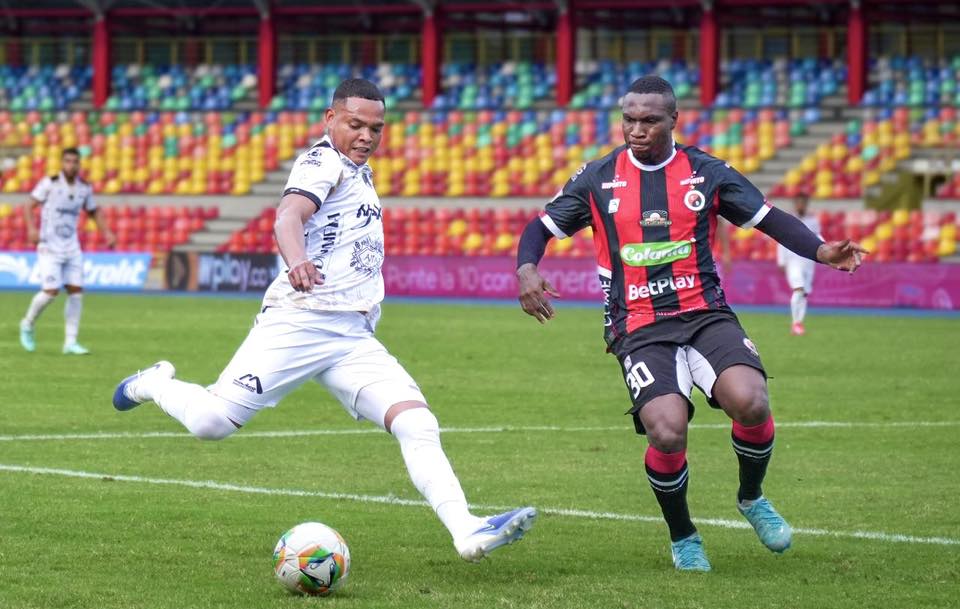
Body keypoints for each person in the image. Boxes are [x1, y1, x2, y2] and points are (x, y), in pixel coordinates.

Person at [111, 79, 536, 563]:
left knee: (417, 423)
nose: (366, 135)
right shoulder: (322, 161)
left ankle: (467, 531)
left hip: (351, 336)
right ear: (329, 119)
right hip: (300, 321)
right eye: (355, 124)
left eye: (375, 127)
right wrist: (295, 260)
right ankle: (153, 383)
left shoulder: (360, 170)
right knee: (211, 423)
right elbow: (288, 216)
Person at [515, 76, 866, 572]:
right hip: (637, 324)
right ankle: (683, 535)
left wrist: (821, 249)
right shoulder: (597, 178)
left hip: (705, 314)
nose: (636, 129)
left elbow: (767, 217)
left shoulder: (707, 173)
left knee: (751, 400)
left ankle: (751, 498)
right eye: (629, 119)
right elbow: (539, 228)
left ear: (674, 120)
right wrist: (527, 267)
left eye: (649, 120)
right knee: (667, 431)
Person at [19, 147, 116, 355]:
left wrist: (107, 232)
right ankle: (27, 324)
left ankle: (70, 343)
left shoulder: (84, 188)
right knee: (51, 292)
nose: (71, 165)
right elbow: (28, 205)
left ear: (79, 165)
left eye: (75, 162)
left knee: (76, 292)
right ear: (62, 163)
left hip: (71, 246)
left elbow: (94, 212)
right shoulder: (50, 183)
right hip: (49, 245)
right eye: (68, 161)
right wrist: (31, 228)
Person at [776, 192, 821, 335]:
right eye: (799, 202)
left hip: (808, 261)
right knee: (799, 289)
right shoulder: (789, 219)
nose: (801, 205)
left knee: (804, 293)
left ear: (806, 204)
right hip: (793, 259)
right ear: (795, 204)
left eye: (803, 202)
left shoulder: (813, 221)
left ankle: (799, 322)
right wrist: (781, 261)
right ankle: (796, 323)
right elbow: (781, 239)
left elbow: (818, 238)